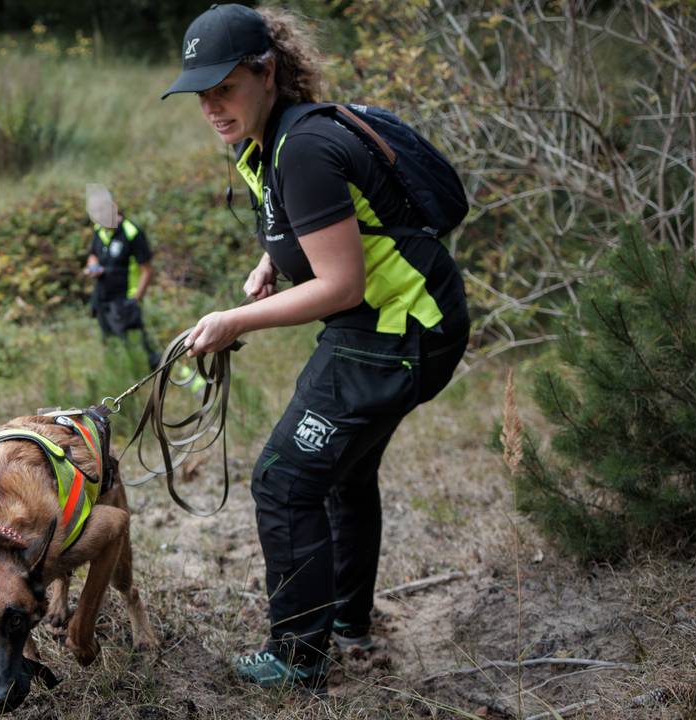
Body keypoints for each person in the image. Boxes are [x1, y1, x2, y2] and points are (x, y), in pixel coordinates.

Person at [164, 4, 470, 692]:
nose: (212, 106)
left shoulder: (300, 147)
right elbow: (335, 230)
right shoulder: (276, 136)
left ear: (267, 72)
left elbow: (341, 283)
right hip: (415, 318)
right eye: (200, 93)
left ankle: (298, 658)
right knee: (342, 474)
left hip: (395, 329)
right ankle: (346, 624)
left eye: (225, 87)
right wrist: (277, 263)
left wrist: (236, 321)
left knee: (283, 481)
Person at [84, 185, 160, 370]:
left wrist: (135, 300)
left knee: (144, 350)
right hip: (103, 301)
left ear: (114, 207)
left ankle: (183, 382)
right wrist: (92, 266)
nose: (98, 216)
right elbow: (92, 254)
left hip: (125, 303)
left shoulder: (132, 233)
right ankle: (126, 385)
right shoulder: (98, 230)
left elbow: (147, 270)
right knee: (114, 348)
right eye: (93, 212)